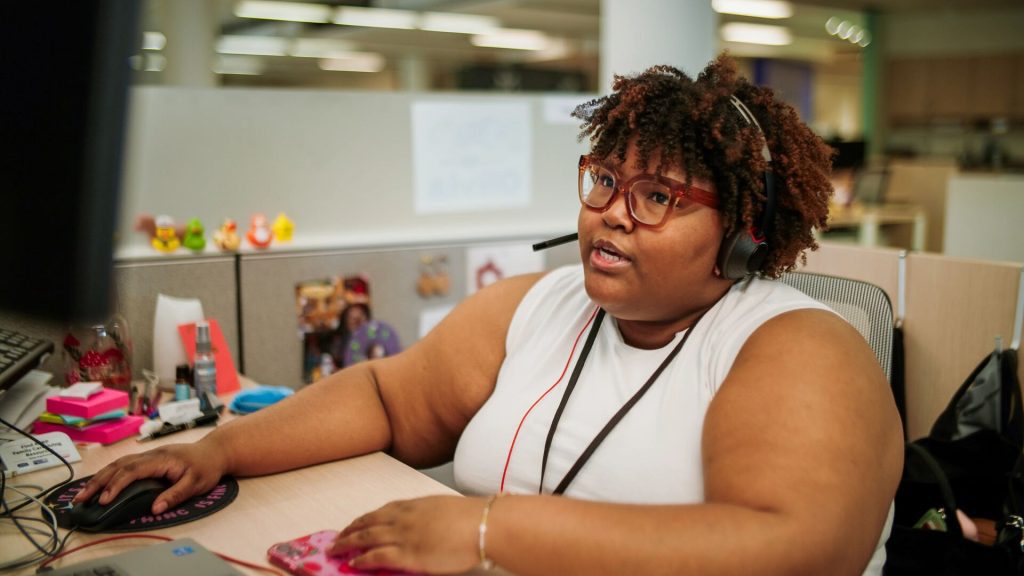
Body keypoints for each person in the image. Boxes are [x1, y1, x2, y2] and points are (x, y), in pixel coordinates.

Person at [76, 55, 904, 575]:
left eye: (657, 197)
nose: (613, 213)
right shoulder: (542, 307)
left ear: (744, 237)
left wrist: (487, 532)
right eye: (605, 181)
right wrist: (218, 449)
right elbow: (388, 400)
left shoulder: (796, 347)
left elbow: (794, 550)